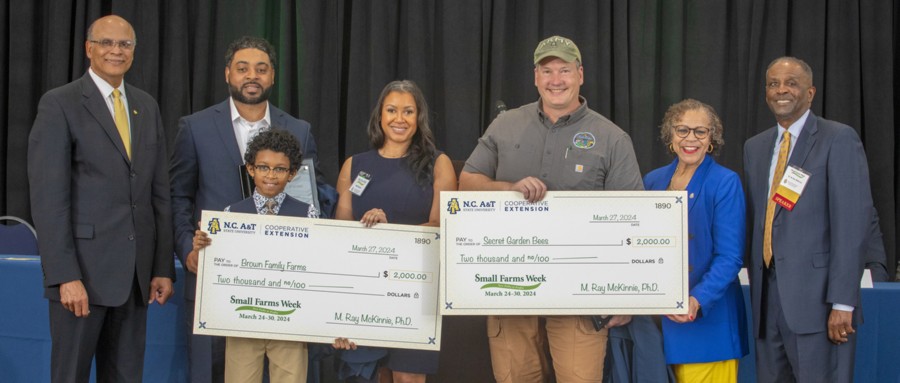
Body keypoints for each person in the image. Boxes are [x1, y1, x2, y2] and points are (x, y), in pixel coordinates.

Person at [459, 35, 643, 383]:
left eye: (564, 70)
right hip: (509, 285)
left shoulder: (611, 138)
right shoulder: (505, 124)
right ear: (535, 77)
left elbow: (632, 222)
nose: (555, 80)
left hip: (581, 294)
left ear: (581, 74)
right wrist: (509, 189)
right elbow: (466, 182)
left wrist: (626, 295)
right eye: (547, 71)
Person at [28, 15, 175, 382]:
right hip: (82, 278)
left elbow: (158, 193)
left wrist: (160, 266)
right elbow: (50, 200)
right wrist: (65, 276)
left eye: (124, 44)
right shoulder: (59, 104)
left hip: (136, 280)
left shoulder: (146, 105)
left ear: (134, 52)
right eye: (107, 43)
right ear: (88, 48)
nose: (116, 51)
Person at [170, 36, 324, 383]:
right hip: (215, 279)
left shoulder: (299, 130)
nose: (251, 76)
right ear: (228, 74)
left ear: (272, 77)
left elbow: (315, 198)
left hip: (285, 288)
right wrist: (185, 248)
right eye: (242, 68)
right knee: (211, 372)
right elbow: (177, 196)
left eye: (261, 69)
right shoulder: (194, 128)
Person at [744, 56, 873, 382]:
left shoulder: (838, 139)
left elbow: (852, 225)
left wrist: (843, 302)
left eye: (791, 83)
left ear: (810, 92)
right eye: (773, 84)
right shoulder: (755, 148)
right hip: (766, 303)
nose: (781, 90)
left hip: (819, 304)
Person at [331, 80, 457, 383]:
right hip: (363, 290)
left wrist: (392, 234)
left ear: (419, 118)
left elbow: (442, 230)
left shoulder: (439, 164)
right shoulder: (354, 165)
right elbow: (339, 232)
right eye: (391, 110)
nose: (399, 119)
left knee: (407, 377)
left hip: (414, 289)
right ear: (379, 116)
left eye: (408, 111)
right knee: (372, 376)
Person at [192, 128, 316, 383]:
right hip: (243, 322)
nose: (271, 175)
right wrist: (202, 247)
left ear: (292, 173)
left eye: (280, 169)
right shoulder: (230, 214)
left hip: (290, 323)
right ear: (250, 169)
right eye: (263, 167)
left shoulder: (308, 214)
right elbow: (220, 267)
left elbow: (314, 266)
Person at [643, 99, 748, 382]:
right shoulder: (653, 181)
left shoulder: (725, 182)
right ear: (670, 136)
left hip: (705, 321)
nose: (691, 139)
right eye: (682, 130)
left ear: (712, 137)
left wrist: (697, 299)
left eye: (700, 132)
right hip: (660, 321)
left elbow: (730, 257)